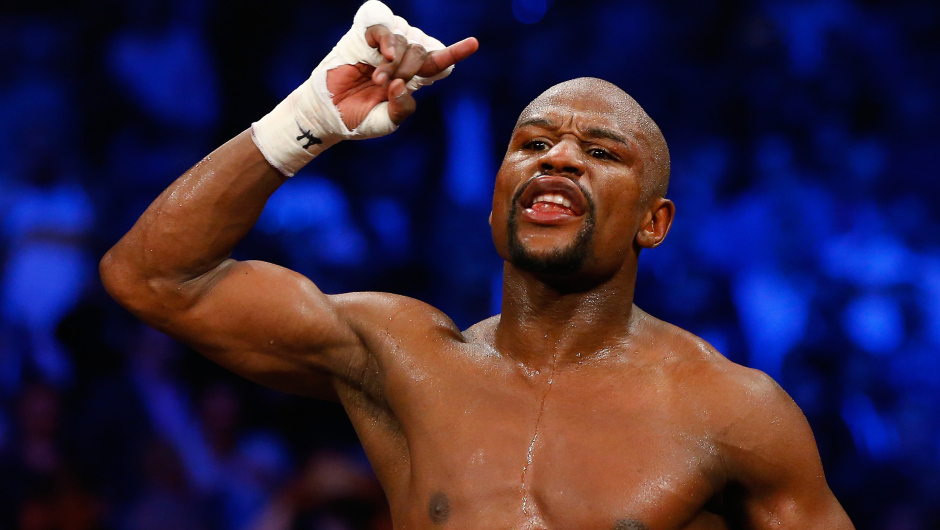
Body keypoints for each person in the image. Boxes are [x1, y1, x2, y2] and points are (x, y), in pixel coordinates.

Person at [100, 2, 854, 528]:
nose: (557, 157)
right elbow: (154, 278)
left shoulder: (733, 413)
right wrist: (309, 119)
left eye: (599, 152)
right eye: (532, 144)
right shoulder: (403, 359)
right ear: (496, 204)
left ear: (654, 224)